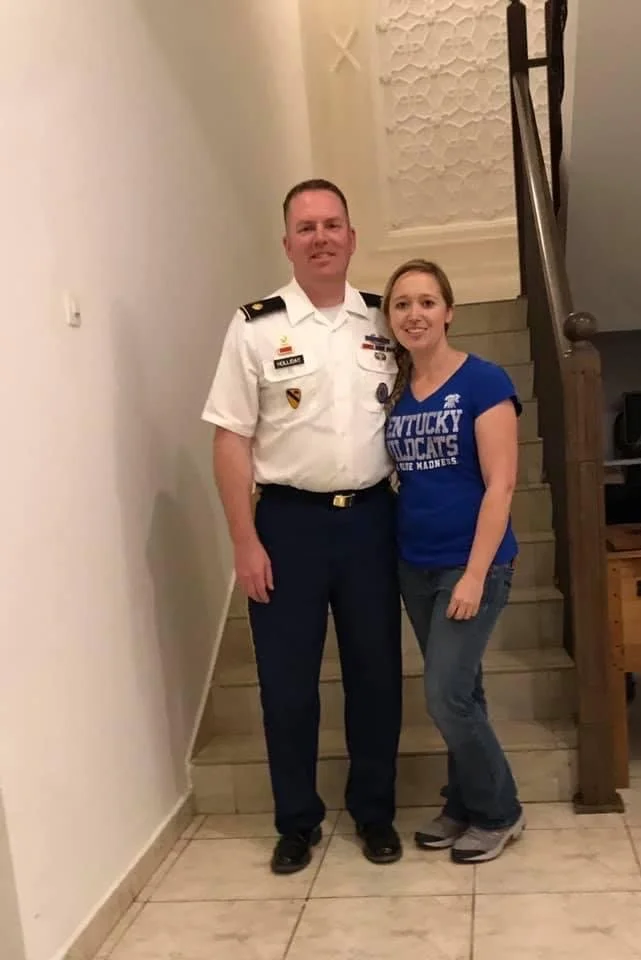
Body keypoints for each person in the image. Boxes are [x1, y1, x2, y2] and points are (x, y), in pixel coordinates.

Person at [202, 179, 403, 874]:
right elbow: (231, 438)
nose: (321, 236)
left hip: (373, 521)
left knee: (376, 676)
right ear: (286, 242)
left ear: (352, 236)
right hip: (287, 524)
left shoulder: (386, 319)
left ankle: (375, 813)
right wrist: (243, 539)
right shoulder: (255, 326)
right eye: (306, 226)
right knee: (286, 685)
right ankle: (298, 821)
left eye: (332, 224)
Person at [382, 258, 525, 864]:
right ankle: (462, 802)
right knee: (464, 689)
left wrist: (472, 573)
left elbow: (502, 485)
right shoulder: (394, 394)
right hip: (414, 565)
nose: (414, 314)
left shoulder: (485, 381)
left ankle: (500, 811)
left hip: (474, 567)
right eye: (402, 304)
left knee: (445, 695)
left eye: (426, 302)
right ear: (390, 319)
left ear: (449, 311)